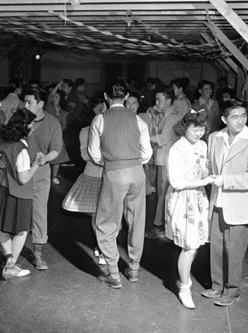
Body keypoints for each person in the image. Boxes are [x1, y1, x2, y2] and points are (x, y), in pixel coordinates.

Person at [202, 99, 248, 307]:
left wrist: (224, 180)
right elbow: (208, 164)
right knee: (216, 247)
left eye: (243, 116)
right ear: (224, 119)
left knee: (234, 250)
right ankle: (217, 285)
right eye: (234, 117)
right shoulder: (215, 137)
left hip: (241, 206)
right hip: (218, 202)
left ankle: (232, 290)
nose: (240, 121)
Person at [88, 79, 152, 288]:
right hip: (137, 173)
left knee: (106, 223)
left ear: (106, 97)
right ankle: (133, 269)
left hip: (114, 173)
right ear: (125, 97)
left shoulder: (100, 119)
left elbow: (94, 154)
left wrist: (112, 160)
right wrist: (132, 161)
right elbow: (147, 153)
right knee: (136, 221)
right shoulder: (138, 120)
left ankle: (113, 274)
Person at [0, 109, 42, 279]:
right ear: (24, 127)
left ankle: (8, 259)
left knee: (2, 226)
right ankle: (11, 265)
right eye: (31, 125)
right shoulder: (21, 148)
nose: (33, 128)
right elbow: (23, 178)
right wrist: (36, 164)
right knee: (21, 230)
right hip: (18, 193)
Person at [165, 109, 214, 309]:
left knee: (194, 246)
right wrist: (204, 180)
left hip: (199, 198)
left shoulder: (203, 145)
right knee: (189, 246)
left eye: (202, 128)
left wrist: (206, 175)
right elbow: (176, 182)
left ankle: (184, 280)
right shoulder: (177, 149)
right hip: (183, 199)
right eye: (195, 128)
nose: (199, 132)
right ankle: (184, 287)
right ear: (185, 127)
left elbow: (206, 167)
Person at [62, 97, 107, 265]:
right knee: (97, 217)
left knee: (110, 218)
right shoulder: (86, 131)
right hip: (93, 176)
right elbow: (85, 155)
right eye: (98, 111)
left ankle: (104, 246)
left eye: (104, 109)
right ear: (92, 114)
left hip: (112, 177)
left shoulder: (113, 129)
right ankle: (102, 249)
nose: (102, 113)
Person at [24, 88, 63, 270]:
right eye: (25, 101)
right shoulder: (19, 119)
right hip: (20, 170)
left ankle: (37, 251)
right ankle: (11, 253)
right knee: (18, 209)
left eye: (29, 102)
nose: (25, 105)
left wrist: (45, 158)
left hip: (40, 171)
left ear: (40, 103)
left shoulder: (52, 122)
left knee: (39, 211)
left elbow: (56, 148)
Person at [144, 86, 180, 239]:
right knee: (160, 193)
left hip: (168, 160)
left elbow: (161, 139)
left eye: (159, 99)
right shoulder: (161, 115)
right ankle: (161, 225)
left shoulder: (173, 117)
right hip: (160, 159)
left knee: (165, 193)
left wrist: (141, 137)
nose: (156, 102)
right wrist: (153, 116)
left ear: (169, 100)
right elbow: (150, 129)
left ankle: (163, 227)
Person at [44, 88, 70, 185]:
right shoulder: (48, 107)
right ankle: (47, 175)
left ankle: (54, 176)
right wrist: (59, 84)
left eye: (57, 97)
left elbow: (65, 126)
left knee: (58, 159)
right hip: (47, 136)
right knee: (46, 156)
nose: (54, 98)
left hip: (58, 136)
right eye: (54, 97)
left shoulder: (63, 112)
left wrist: (59, 125)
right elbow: (50, 94)